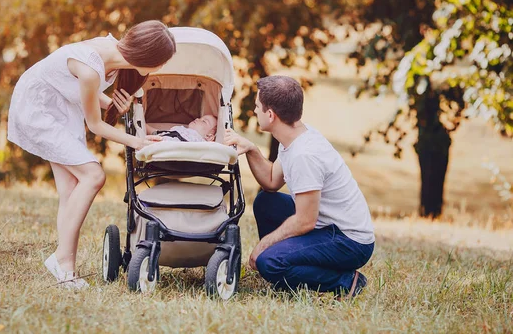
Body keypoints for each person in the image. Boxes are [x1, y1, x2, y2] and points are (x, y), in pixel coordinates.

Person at [7, 20, 176, 289]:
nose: (161, 68)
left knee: (72, 187)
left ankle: (65, 271)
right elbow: (96, 126)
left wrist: (113, 105)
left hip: (61, 105)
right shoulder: (90, 68)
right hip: (39, 108)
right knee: (93, 175)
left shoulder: (113, 54)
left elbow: (85, 94)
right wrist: (138, 142)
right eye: (160, 62)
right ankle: (62, 258)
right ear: (146, 57)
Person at [224, 76, 375, 298]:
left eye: (257, 107)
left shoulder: (305, 155)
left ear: (270, 115)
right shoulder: (295, 137)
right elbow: (272, 182)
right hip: (327, 226)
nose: (255, 111)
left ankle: (346, 281)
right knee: (266, 202)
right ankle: (285, 272)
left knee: (269, 262)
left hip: (348, 241)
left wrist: (264, 245)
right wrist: (252, 149)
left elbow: (305, 221)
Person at [145, 115, 217, 142]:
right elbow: (164, 133)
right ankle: (143, 125)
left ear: (209, 136)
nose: (197, 118)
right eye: (200, 118)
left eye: (204, 121)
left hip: (169, 146)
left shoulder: (200, 141)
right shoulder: (184, 130)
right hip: (164, 137)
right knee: (156, 132)